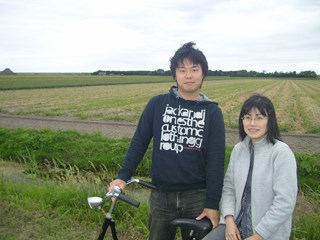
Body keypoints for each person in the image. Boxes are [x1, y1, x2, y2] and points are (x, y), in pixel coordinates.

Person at [108, 42, 225, 240]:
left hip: (197, 198)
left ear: (203, 73)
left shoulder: (212, 112)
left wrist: (212, 204)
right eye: (182, 70)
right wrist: (122, 176)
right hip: (161, 197)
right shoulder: (157, 104)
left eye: (194, 69)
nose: (189, 75)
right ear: (175, 75)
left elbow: (216, 160)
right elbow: (139, 142)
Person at [203, 94, 298, 240]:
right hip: (234, 226)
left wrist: (259, 235)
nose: (252, 123)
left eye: (259, 118)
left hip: (265, 233)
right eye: (247, 117)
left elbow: (285, 202)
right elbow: (229, 188)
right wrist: (228, 219)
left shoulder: (281, 153)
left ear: (270, 121)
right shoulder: (239, 150)